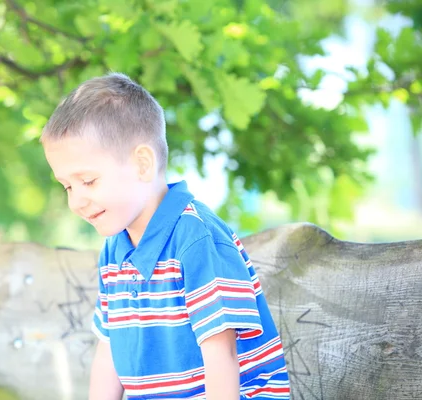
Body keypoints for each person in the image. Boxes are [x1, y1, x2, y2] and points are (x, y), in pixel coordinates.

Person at [40, 72, 290, 400]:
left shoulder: (196, 238)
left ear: (143, 164)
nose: (76, 201)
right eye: (67, 187)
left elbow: (222, 357)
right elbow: (109, 351)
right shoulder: (115, 250)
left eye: (88, 181)